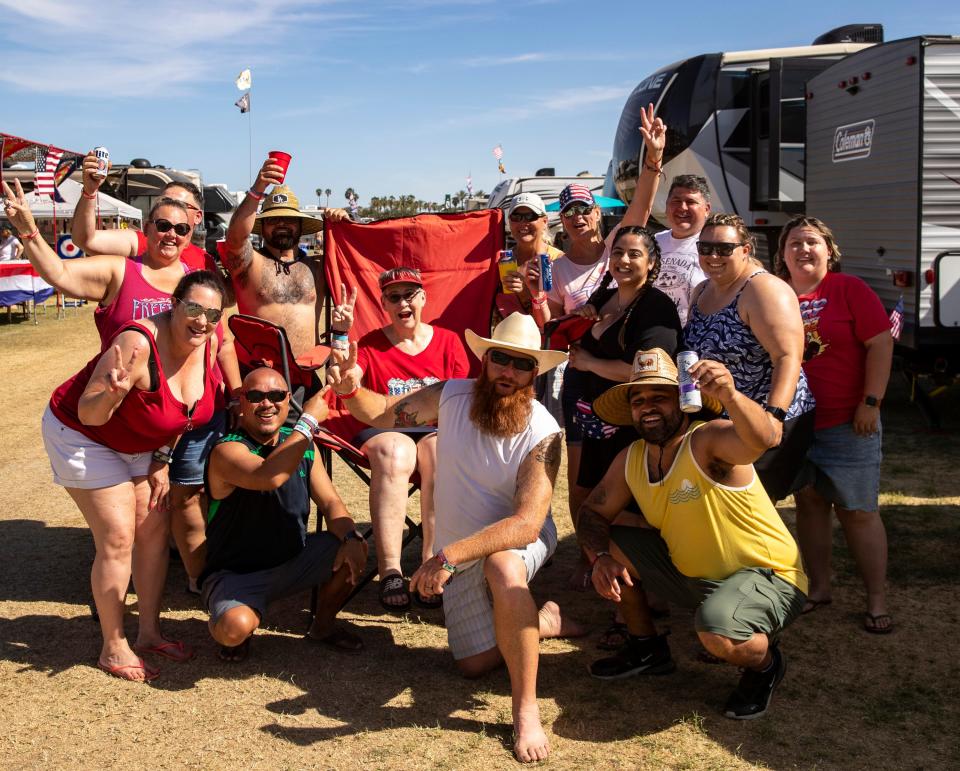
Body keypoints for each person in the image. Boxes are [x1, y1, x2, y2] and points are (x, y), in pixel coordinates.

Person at [329, 312, 584, 764]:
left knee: (502, 565)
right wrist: (350, 388)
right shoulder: (450, 396)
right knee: (473, 665)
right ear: (485, 360)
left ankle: (525, 709)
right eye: (500, 359)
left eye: (522, 364)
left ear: (535, 373)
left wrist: (444, 556)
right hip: (459, 548)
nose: (508, 372)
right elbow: (383, 414)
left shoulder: (544, 433)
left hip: (514, 536)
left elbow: (526, 523)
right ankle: (542, 622)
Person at [3, 177, 241, 596]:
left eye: (181, 229)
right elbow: (59, 272)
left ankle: (180, 583)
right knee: (122, 524)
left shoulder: (196, 281)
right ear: (146, 229)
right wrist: (28, 230)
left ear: (192, 233)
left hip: (175, 415)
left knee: (165, 511)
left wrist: (235, 392)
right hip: (116, 413)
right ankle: (112, 594)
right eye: (162, 225)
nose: (171, 235)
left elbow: (222, 345)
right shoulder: (122, 270)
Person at [578, 348, 807, 720]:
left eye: (659, 398)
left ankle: (765, 665)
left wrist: (731, 395)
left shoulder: (707, 440)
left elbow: (763, 439)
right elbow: (593, 512)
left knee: (716, 633)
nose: (647, 407)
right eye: (638, 399)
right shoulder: (632, 457)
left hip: (769, 576)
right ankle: (646, 646)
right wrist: (599, 558)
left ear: (682, 402)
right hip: (694, 578)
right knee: (613, 540)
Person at [40, 271, 225, 681]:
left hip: (139, 441)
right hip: (83, 434)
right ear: (174, 304)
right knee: (119, 534)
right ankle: (113, 644)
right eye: (194, 308)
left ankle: (149, 633)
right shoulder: (137, 344)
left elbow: (186, 416)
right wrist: (112, 392)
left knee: (154, 528)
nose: (202, 320)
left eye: (213, 313)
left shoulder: (207, 345)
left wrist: (161, 456)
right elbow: (91, 412)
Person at [532, 104, 667, 563]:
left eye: (584, 209)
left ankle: (627, 553)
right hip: (579, 378)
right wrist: (537, 300)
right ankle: (590, 559)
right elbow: (547, 324)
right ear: (561, 220)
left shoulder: (618, 248)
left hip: (624, 373)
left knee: (625, 464)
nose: (577, 217)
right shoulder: (553, 267)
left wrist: (652, 159)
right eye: (568, 211)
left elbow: (644, 205)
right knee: (578, 470)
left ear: (597, 214)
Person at [775, 216, 894, 633]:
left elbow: (880, 343)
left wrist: (871, 402)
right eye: (794, 243)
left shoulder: (848, 289)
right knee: (809, 503)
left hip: (848, 422)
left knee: (858, 511)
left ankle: (876, 600)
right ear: (782, 253)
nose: (803, 249)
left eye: (812, 242)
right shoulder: (776, 294)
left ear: (829, 251)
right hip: (796, 426)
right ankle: (819, 587)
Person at [327, 267, 470, 610]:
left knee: (438, 450)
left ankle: (430, 566)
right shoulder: (373, 344)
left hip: (436, 432)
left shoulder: (449, 342)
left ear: (423, 298)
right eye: (394, 297)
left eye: (410, 294)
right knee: (395, 451)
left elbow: (464, 397)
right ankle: (390, 569)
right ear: (384, 305)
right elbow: (347, 375)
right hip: (383, 430)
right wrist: (341, 335)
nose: (403, 302)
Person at [202, 368, 368, 661]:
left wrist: (351, 536)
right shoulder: (226, 450)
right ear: (242, 403)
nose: (267, 404)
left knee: (355, 547)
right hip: (238, 573)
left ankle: (323, 627)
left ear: (288, 400)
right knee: (233, 628)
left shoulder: (302, 444)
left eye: (276, 396)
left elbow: (330, 503)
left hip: (295, 558)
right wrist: (309, 420)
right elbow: (269, 476)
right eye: (256, 396)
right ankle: (235, 621)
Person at [564, 226, 682, 592]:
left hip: (631, 420)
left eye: (634, 254)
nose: (624, 261)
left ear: (652, 262)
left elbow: (650, 370)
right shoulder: (608, 295)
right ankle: (599, 565)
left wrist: (588, 364)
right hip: (595, 417)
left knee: (630, 507)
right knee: (593, 493)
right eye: (618, 253)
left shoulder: (655, 307)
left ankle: (641, 587)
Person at [684, 212, 815, 502]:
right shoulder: (701, 290)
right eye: (705, 248)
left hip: (768, 421)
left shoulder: (762, 289)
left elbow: (788, 356)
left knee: (753, 508)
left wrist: (775, 416)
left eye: (723, 249)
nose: (713, 256)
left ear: (745, 249)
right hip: (725, 422)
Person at [221, 157, 351, 359]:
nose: (282, 223)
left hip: (307, 376)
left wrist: (346, 225)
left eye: (289, 219)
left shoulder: (318, 267)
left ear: (300, 225)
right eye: (273, 219)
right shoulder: (249, 264)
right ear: (262, 227)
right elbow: (235, 239)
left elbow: (358, 262)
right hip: (260, 380)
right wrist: (257, 190)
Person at [71, 150, 211, 271]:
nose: (171, 208)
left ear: (198, 216)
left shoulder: (206, 262)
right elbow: (85, 240)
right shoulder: (142, 241)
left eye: (180, 204)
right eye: (165, 201)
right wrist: (90, 191)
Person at [653, 175, 710, 325]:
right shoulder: (653, 242)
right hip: (653, 331)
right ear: (666, 206)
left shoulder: (715, 246)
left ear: (707, 209)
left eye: (691, 202)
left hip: (696, 337)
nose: (682, 207)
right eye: (676, 201)